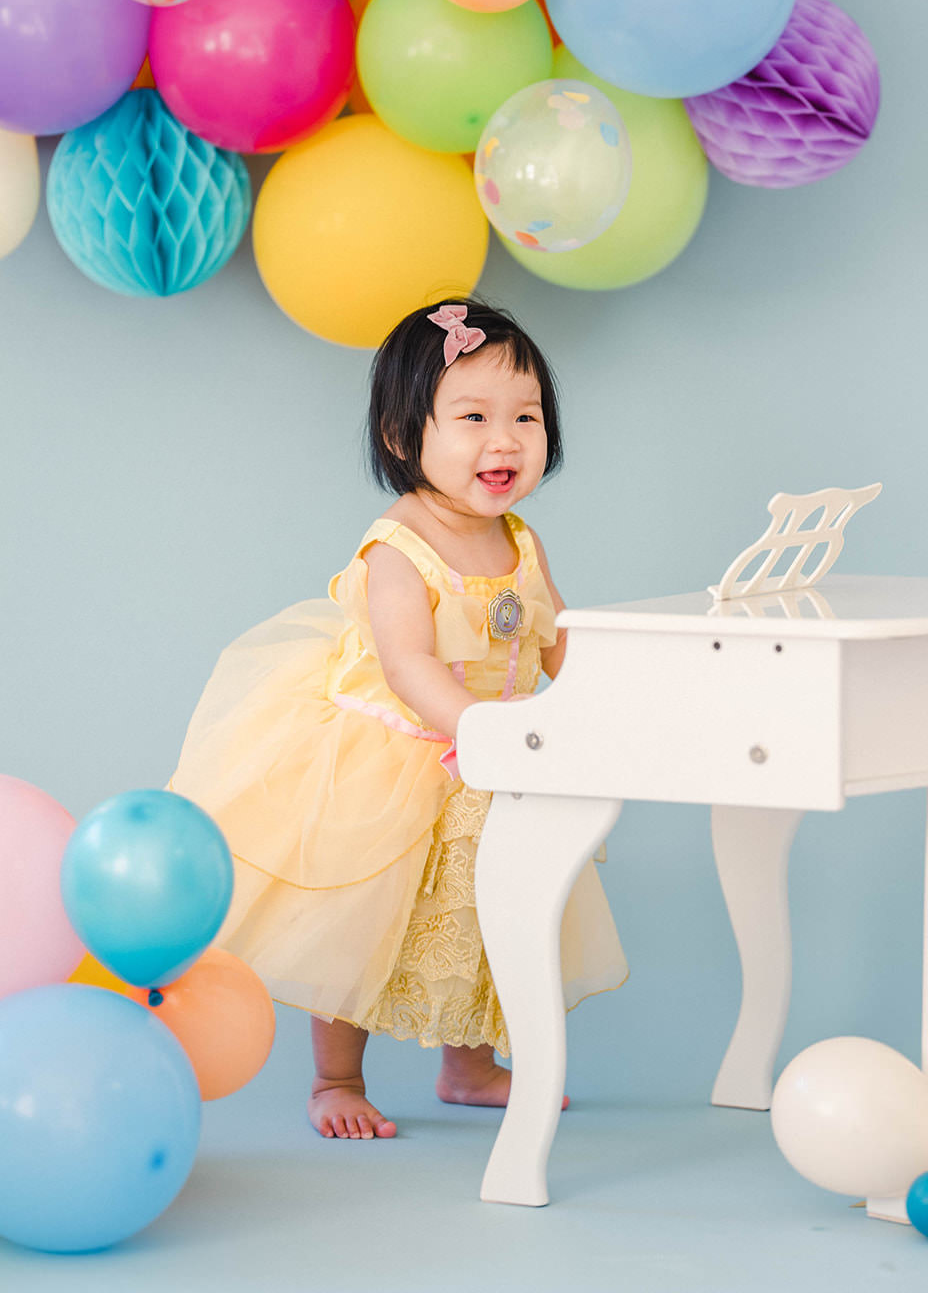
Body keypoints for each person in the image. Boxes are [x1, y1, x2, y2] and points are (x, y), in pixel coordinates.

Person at [167, 300, 627, 1139]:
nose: (506, 441)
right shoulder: (398, 546)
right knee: (364, 923)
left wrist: (598, 687)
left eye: (526, 417)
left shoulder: (520, 539)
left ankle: (470, 1066)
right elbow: (409, 663)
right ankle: (335, 1080)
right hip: (403, 756)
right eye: (474, 418)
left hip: (494, 757)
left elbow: (554, 631)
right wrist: (480, 730)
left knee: (490, 913)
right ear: (399, 431)